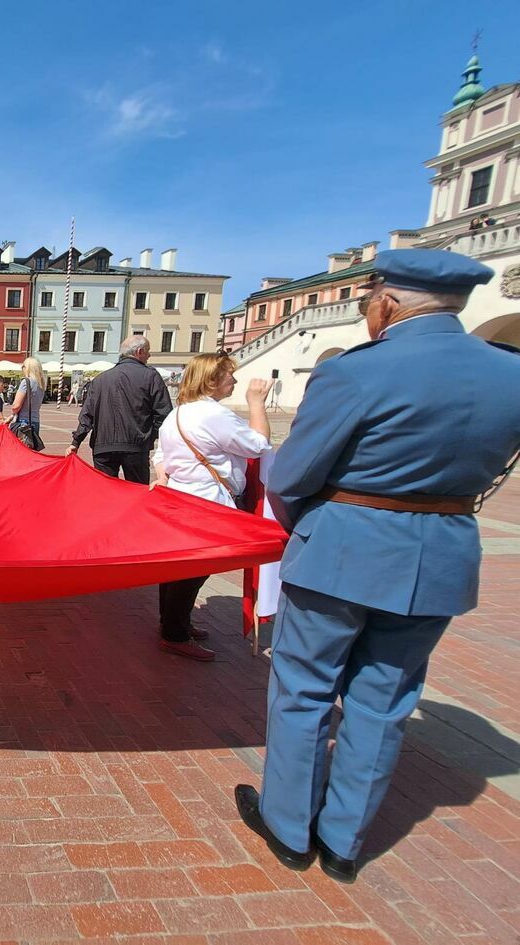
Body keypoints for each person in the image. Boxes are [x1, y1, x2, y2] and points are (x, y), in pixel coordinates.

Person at [237, 249, 520, 884]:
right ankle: (343, 841)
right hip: (442, 553)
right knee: (385, 698)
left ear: (387, 303)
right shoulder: (510, 371)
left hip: (340, 549)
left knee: (305, 689)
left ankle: (288, 825)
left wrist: (307, 520)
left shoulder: (358, 371)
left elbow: (291, 476)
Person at [152, 354, 273, 661]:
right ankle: (174, 632)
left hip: (181, 498)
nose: (234, 380)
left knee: (179, 566)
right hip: (207, 502)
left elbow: (160, 454)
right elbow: (258, 445)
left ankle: (173, 623)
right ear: (212, 379)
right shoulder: (213, 414)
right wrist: (257, 404)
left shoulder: (178, 413)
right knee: (195, 569)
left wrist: (163, 475)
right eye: (229, 375)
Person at [67, 336, 172, 485]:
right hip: (135, 445)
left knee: (106, 492)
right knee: (137, 492)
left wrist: (76, 441)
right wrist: (149, 436)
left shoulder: (99, 379)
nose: (149, 355)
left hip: (103, 446)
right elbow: (164, 414)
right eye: (148, 351)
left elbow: (87, 414)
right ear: (139, 352)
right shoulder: (150, 376)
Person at [7, 357, 47, 436]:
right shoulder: (41, 384)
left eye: (23, 366)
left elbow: (16, 406)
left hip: (24, 421)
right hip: (35, 420)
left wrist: (13, 413)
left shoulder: (26, 382)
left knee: (21, 444)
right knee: (32, 443)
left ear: (28, 368)